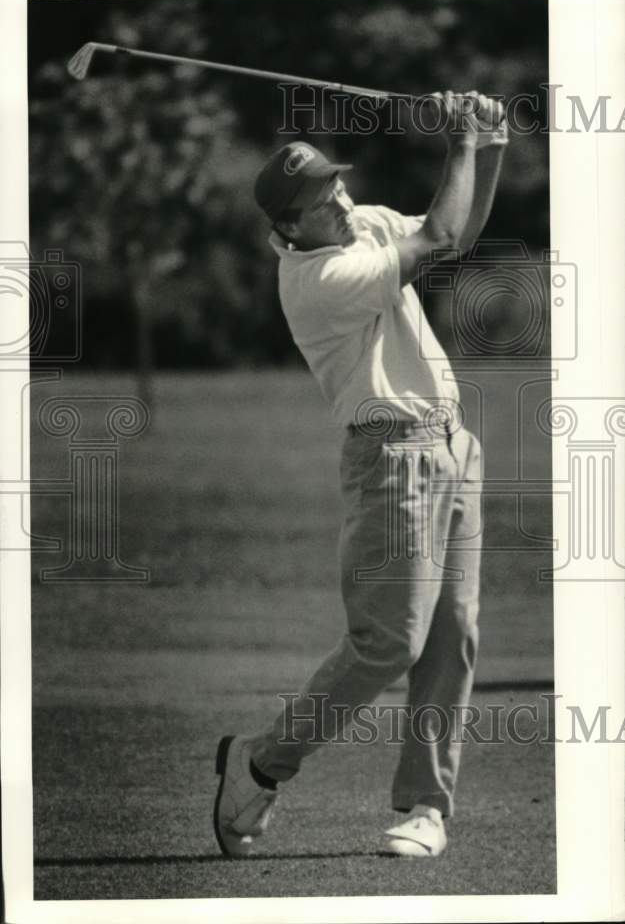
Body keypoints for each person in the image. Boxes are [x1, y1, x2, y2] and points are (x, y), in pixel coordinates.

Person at [213, 91, 508, 858]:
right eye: (321, 203)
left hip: (452, 448)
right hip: (391, 462)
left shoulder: (360, 222)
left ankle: (424, 807)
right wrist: (460, 141)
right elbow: (438, 236)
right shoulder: (317, 280)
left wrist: (490, 140)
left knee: (452, 637)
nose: (341, 205)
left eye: (337, 185)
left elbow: (461, 233)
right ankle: (260, 761)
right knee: (387, 644)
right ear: (288, 228)